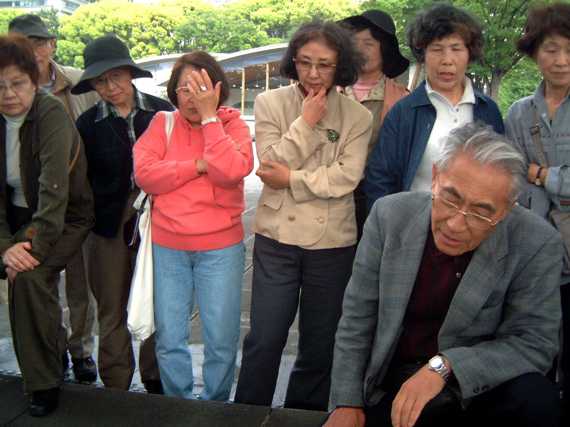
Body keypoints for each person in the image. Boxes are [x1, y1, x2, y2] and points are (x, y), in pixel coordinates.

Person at [325, 123, 562, 427]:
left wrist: (446, 366)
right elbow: (358, 318)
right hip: (399, 385)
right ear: (435, 177)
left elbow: (535, 342)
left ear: (505, 210)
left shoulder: (536, 242)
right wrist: (346, 402)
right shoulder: (389, 216)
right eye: (450, 198)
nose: (455, 224)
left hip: (482, 386)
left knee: (537, 399)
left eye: (480, 212)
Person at [234, 21, 372, 411]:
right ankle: (247, 413)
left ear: (341, 66)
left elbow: (346, 177)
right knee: (264, 337)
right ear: (292, 61)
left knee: (320, 342)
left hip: (332, 244)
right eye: (305, 62)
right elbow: (269, 166)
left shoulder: (358, 117)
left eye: (324, 65)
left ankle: (302, 414)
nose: (313, 73)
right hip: (276, 238)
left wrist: (292, 178)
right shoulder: (270, 103)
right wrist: (306, 122)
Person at [134, 51, 253, 400]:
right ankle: (178, 405)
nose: (192, 97)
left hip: (221, 249)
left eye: (200, 88)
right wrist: (198, 165)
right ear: (173, 92)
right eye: (184, 89)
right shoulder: (162, 124)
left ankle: (214, 405)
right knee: (170, 337)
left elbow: (231, 171)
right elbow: (146, 175)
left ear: (217, 89)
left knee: (221, 337)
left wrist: (210, 119)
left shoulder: (232, 125)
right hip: (168, 247)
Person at [71, 34, 173, 393]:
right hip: (107, 226)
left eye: (115, 76)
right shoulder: (87, 124)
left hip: (159, 221)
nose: (110, 87)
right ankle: (116, 381)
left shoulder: (163, 112)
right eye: (100, 81)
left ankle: (155, 377)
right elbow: (80, 181)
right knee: (111, 304)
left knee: (157, 300)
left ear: (130, 73)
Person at [0, 34, 93, 416]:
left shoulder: (50, 113)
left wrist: (25, 252)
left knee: (29, 279)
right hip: (14, 221)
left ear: (33, 80)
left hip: (65, 216)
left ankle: (43, 381)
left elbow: (54, 195)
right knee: (19, 270)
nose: (8, 94)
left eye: (17, 83)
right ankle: (53, 351)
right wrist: (5, 247)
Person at [364, 3, 503, 207]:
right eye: (437, 49)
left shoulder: (487, 110)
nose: (447, 60)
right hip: (415, 220)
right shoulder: (404, 112)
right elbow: (379, 180)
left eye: (456, 48)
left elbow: (500, 174)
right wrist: (391, 223)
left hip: (472, 221)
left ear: (469, 53)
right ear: (423, 55)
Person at [505, 2, 570, 420]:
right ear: (534, 53)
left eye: (569, 49)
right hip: (535, 252)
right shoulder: (519, 113)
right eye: (550, 49)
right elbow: (512, 177)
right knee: (534, 350)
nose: (561, 60)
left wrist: (544, 175)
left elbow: (529, 175)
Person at [339, 9, 409, 238]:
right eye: (354, 43)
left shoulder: (403, 100)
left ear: (384, 49)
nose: (359, 49)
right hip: (332, 195)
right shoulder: (331, 93)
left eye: (368, 43)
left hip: (378, 196)